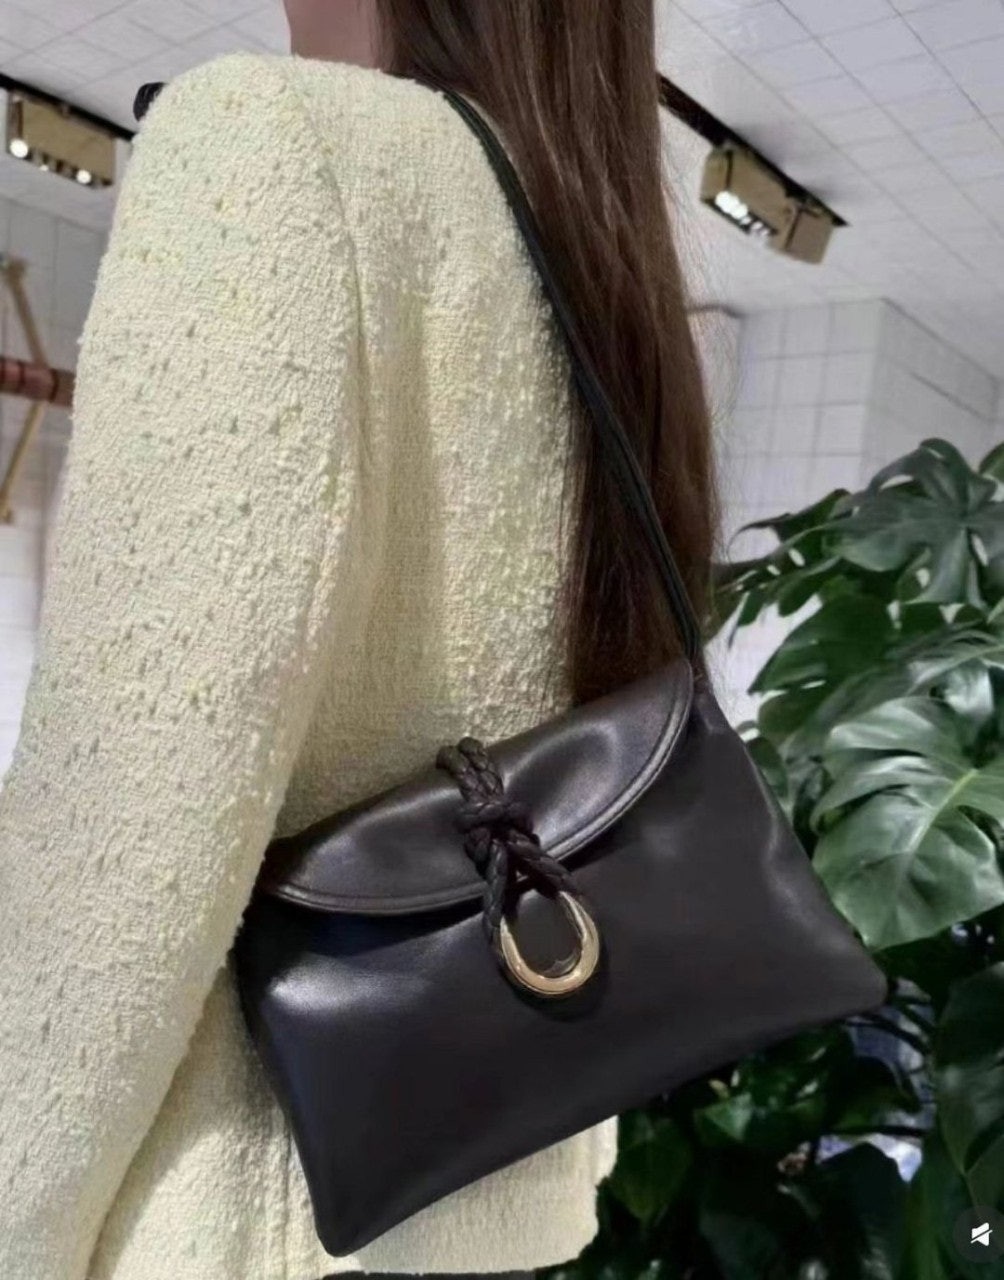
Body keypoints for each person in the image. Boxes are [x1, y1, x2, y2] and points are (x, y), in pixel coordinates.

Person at [0, 2, 717, 1278]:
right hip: (489, 1198)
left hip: (229, 1212)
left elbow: (134, 799)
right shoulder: (588, 237)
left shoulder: (273, 140)